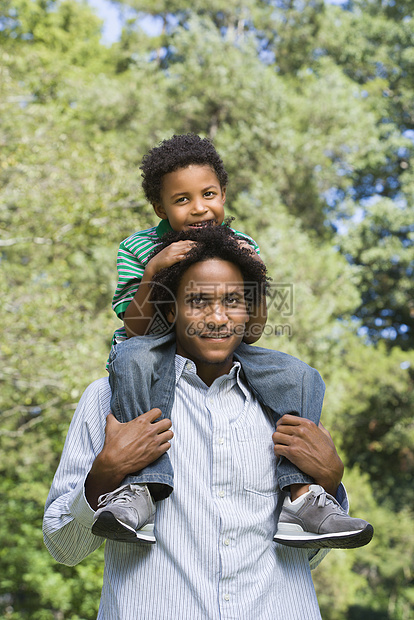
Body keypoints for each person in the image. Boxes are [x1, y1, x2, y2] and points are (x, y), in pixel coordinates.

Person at [43, 224, 366, 618]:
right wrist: (105, 474)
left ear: (249, 309)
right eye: (198, 301)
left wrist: (330, 481)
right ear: (169, 309)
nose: (217, 318)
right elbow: (64, 547)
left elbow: (305, 558)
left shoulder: (285, 405)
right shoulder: (110, 400)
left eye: (233, 300)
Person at [95, 134, 373, 549]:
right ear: (160, 208)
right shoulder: (138, 248)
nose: (199, 207)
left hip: (227, 347)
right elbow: (134, 328)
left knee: (301, 374)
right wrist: (153, 272)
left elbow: (253, 331)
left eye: (208, 194)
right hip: (152, 344)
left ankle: (301, 496)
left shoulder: (242, 245)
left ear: (224, 194)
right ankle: (138, 488)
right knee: (130, 358)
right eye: (182, 199)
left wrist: (257, 278)